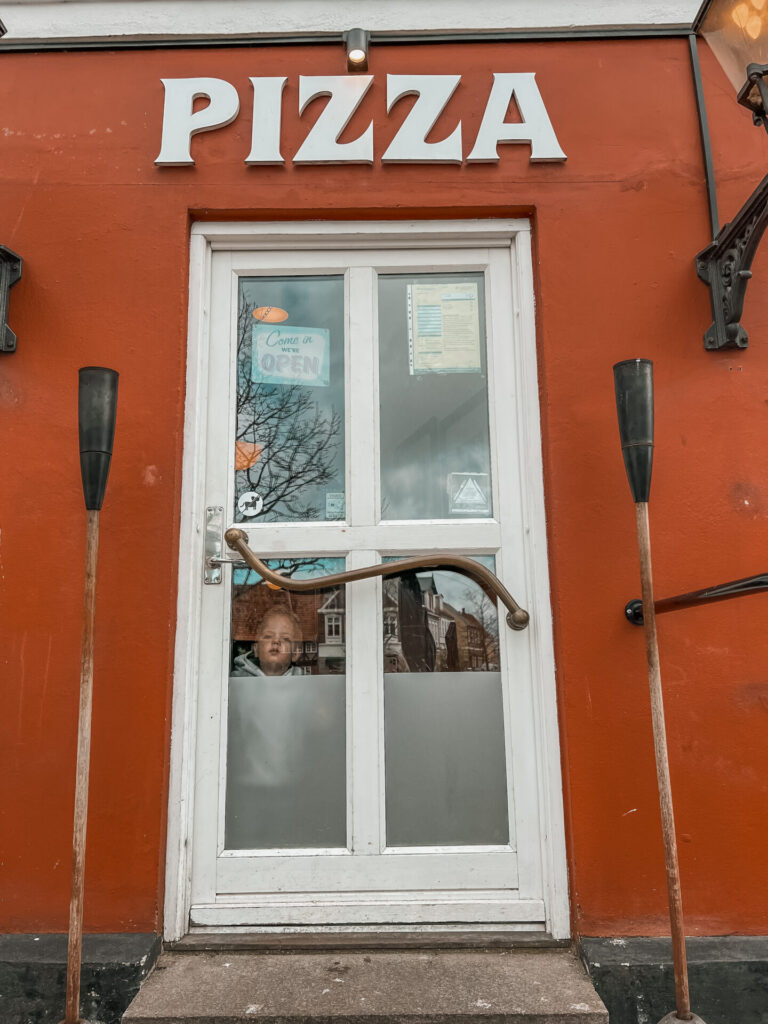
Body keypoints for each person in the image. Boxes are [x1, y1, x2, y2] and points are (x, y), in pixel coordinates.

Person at [231, 607, 303, 676]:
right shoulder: (236, 680)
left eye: (285, 638)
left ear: (295, 654)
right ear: (256, 649)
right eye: (268, 636)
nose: (276, 641)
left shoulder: (305, 682)